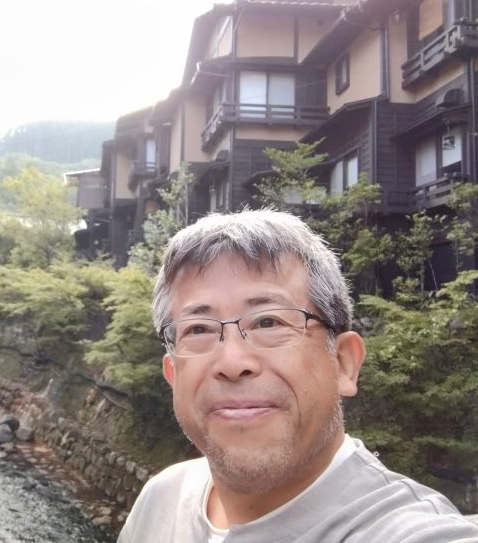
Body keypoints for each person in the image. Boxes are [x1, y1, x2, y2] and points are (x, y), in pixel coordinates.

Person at [117, 209, 478, 543]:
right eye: (198, 329)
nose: (232, 362)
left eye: (268, 322)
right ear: (173, 373)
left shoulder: (404, 531)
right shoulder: (161, 499)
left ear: (343, 363)